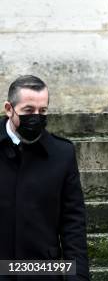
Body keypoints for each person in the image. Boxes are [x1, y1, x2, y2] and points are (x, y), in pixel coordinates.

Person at [0, 76, 89, 280]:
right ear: (8, 108)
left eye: (43, 111)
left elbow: (72, 223)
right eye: (29, 111)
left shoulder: (62, 153)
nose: (36, 117)